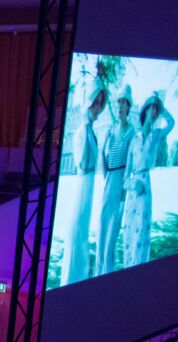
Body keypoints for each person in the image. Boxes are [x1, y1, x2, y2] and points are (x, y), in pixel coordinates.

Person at [60, 79, 107, 286]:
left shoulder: (91, 132)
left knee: (82, 235)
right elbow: (83, 161)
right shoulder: (82, 131)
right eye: (94, 102)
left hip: (89, 186)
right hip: (82, 185)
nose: (97, 108)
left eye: (100, 103)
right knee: (77, 234)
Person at [123, 94, 174, 268]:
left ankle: (139, 269)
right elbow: (125, 177)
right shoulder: (134, 140)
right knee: (130, 231)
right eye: (151, 108)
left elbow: (172, 123)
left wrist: (161, 106)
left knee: (142, 232)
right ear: (145, 110)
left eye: (156, 109)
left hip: (146, 187)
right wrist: (132, 186)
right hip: (133, 192)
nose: (154, 112)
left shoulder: (157, 135)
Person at [96, 85, 136, 276]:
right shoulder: (111, 132)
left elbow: (130, 164)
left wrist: (124, 193)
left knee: (113, 232)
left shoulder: (131, 133)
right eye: (119, 102)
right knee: (103, 227)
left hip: (121, 183)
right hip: (109, 182)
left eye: (124, 103)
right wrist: (104, 145)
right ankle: (99, 271)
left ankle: (107, 273)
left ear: (128, 107)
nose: (120, 106)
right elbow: (105, 170)